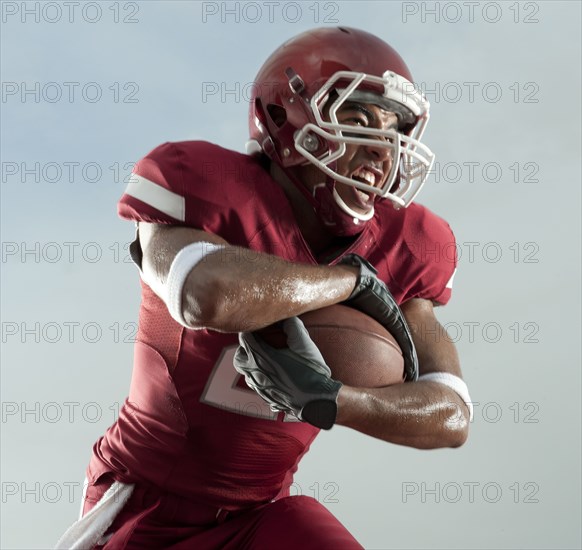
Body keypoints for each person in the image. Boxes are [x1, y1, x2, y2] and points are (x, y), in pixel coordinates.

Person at [56, 26, 471, 550]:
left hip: (261, 512)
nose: (383, 148)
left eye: (395, 130)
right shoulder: (202, 183)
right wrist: (347, 281)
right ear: (284, 118)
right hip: (145, 507)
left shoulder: (408, 243)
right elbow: (202, 294)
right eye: (359, 120)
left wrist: (336, 402)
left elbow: (451, 414)